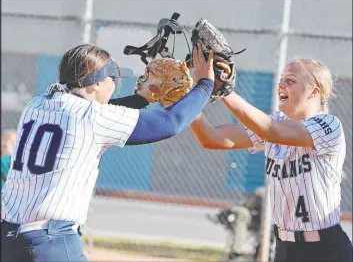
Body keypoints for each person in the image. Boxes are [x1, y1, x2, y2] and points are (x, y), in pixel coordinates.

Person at [1, 42, 215, 262]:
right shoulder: (92, 118)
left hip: (7, 239)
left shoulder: (37, 104)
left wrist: (142, 99)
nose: (114, 85)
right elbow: (170, 122)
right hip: (49, 243)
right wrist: (205, 84)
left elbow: (98, 112)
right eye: (111, 79)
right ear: (94, 84)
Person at [188, 58, 352, 261]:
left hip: (325, 250)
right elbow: (212, 138)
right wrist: (184, 98)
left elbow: (272, 131)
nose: (281, 84)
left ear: (314, 91)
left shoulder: (329, 126)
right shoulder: (277, 122)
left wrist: (225, 90)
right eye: (281, 78)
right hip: (285, 248)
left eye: (290, 80)